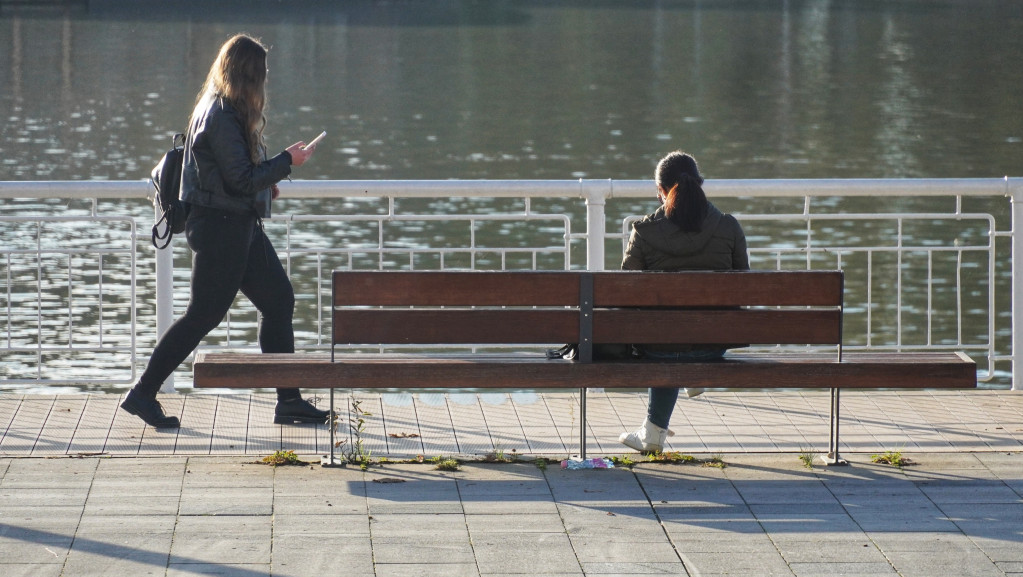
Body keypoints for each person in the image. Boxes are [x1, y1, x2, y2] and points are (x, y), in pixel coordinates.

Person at [121, 34, 329, 428]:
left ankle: (289, 400)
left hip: (236, 225)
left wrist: (268, 180)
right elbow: (237, 179)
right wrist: (287, 160)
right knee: (202, 316)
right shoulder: (220, 114)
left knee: (279, 300)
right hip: (221, 228)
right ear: (249, 75)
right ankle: (143, 393)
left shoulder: (219, 108)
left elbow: (236, 178)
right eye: (261, 75)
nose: (264, 83)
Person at [618, 151, 749, 453]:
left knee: (666, 341)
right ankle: (686, 381)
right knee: (679, 339)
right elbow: (743, 288)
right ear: (700, 185)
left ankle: (652, 434)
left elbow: (624, 293)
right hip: (713, 343)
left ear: (661, 191)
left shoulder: (644, 233)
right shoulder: (729, 227)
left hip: (659, 345)